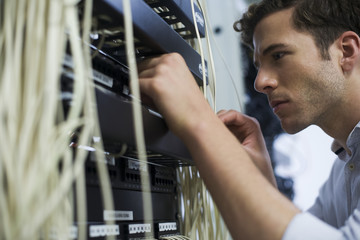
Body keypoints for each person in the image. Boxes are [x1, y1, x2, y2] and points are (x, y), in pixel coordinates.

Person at [138, 0, 360, 239]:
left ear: (346, 51)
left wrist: (198, 120)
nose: (260, 82)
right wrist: (262, 179)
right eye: (258, 66)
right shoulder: (345, 168)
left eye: (278, 55)